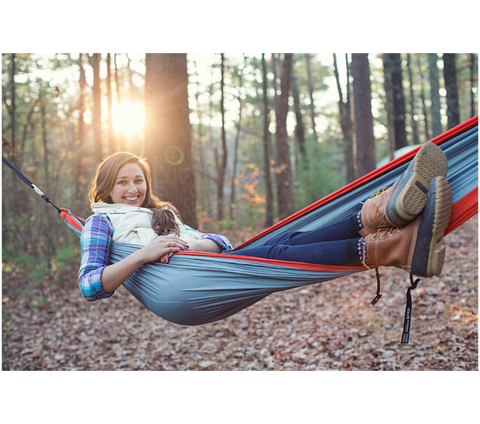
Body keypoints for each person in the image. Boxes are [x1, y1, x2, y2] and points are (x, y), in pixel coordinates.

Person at [79, 143, 452, 302]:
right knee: (279, 250)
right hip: (190, 287)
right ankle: (392, 239)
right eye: (123, 182)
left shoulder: (161, 213)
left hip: (211, 265)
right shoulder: (101, 224)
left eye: (138, 180)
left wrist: (192, 244)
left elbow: (219, 241)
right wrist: (143, 255)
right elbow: (90, 286)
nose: (132, 189)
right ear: (107, 188)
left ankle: (385, 218)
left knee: (286, 240)